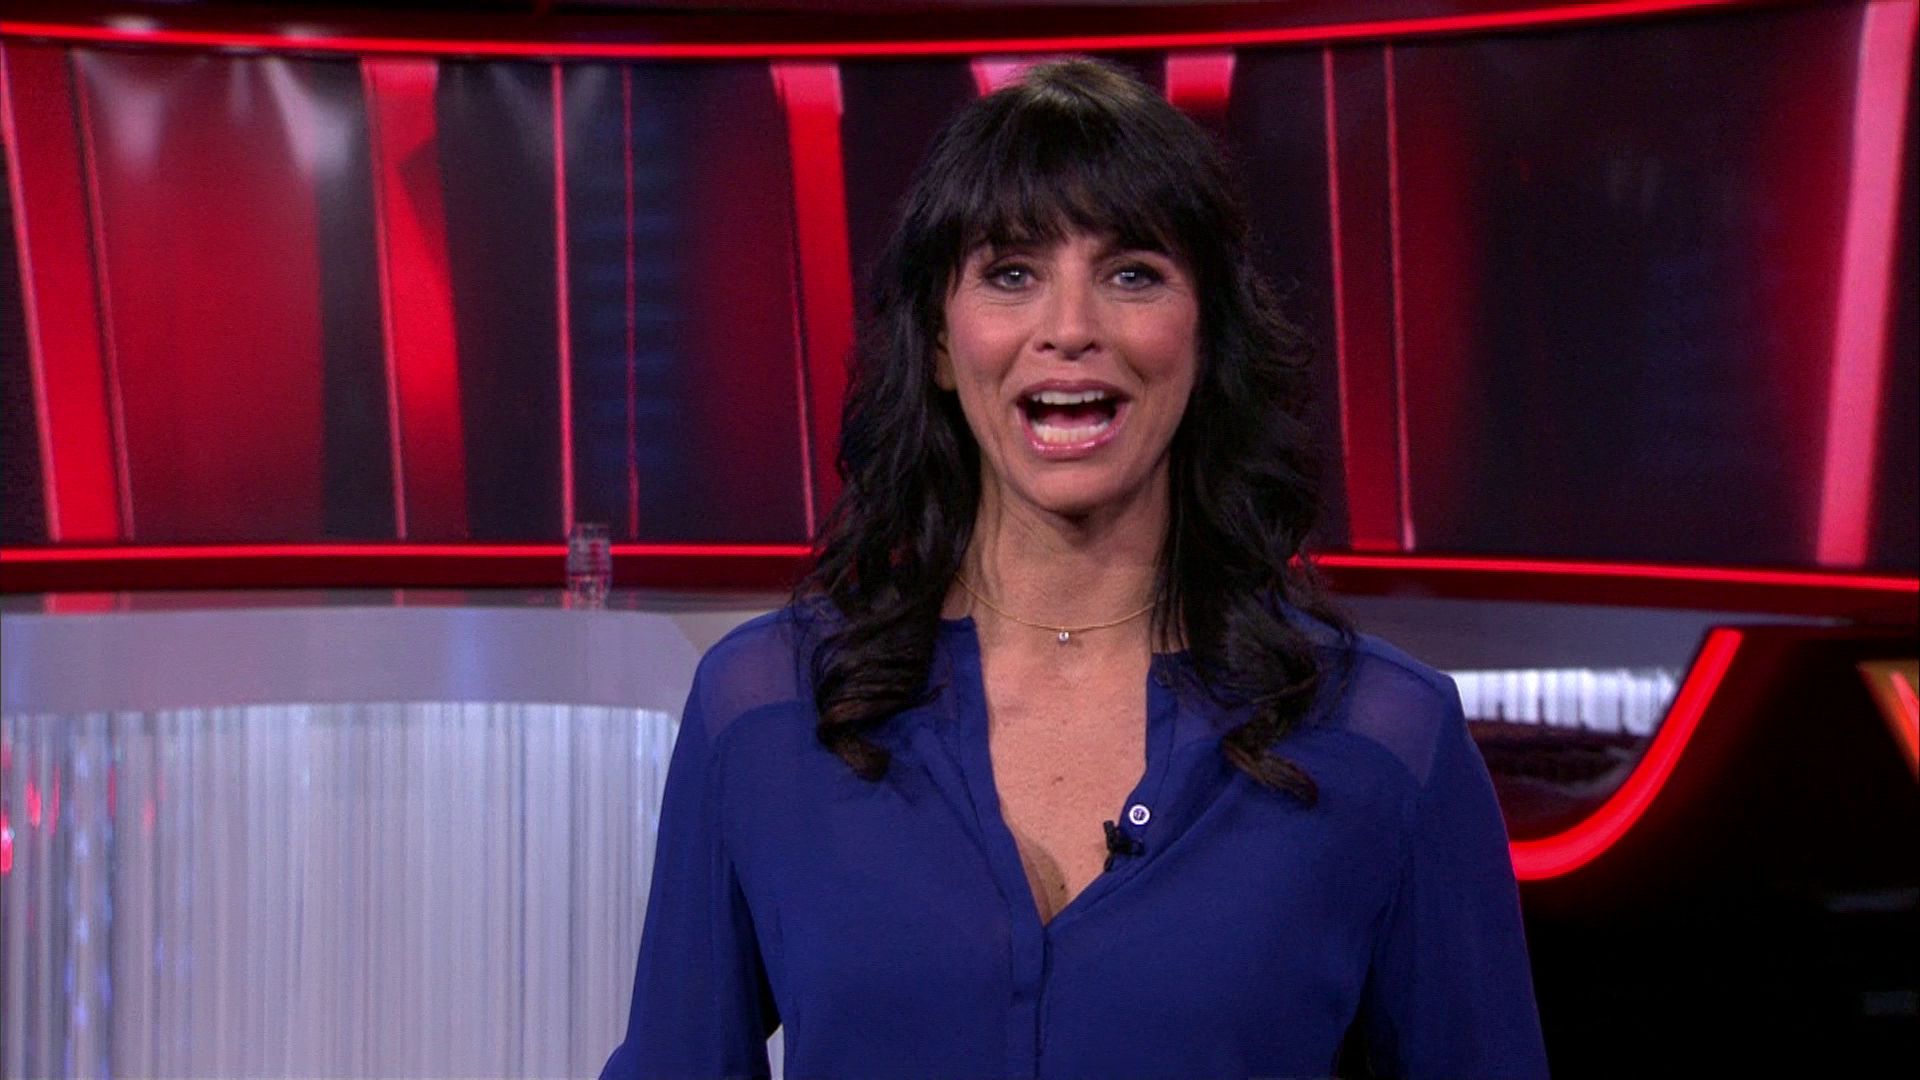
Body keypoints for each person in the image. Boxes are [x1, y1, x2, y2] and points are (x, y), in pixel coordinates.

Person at [602, 58, 1548, 1079]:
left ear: (1206, 335)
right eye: (1012, 273)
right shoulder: (771, 712)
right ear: (937, 339)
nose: (1069, 330)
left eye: (1131, 273)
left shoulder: (1382, 740)